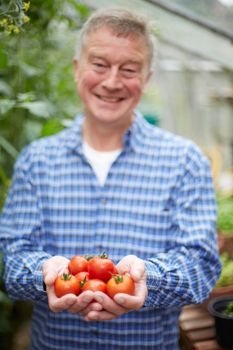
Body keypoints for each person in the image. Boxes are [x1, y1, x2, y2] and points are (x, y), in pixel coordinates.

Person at [0, 7, 221, 350]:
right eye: (100, 65)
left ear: (146, 79)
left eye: (129, 69)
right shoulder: (37, 160)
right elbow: (12, 258)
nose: (112, 81)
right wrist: (45, 274)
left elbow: (201, 265)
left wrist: (148, 278)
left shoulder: (184, 161)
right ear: (77, 69)